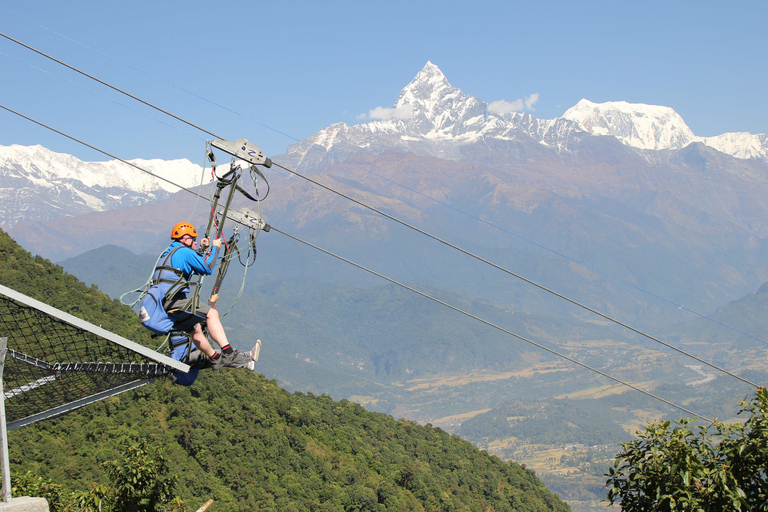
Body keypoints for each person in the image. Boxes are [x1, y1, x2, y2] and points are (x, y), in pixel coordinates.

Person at [139, 222, 260, 370]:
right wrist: (216, 247)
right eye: (193, 239)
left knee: (195, 328)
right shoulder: (183, 252)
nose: (196, 242)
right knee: (211, 313)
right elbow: (207, 267)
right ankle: (228, 353)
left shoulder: (170, 253)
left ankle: (215, 358)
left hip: (164, 303)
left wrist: (203, 249)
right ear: (185, 239)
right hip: (174, 300)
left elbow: (195, 264)